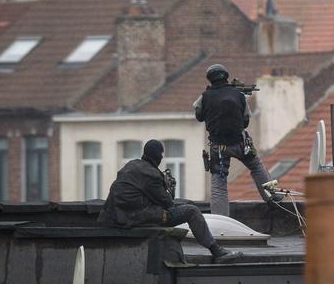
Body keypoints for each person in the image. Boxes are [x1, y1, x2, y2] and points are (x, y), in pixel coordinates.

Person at [98, 139, 242, 264]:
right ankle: (217, 251)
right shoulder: (152, 175)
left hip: (113, 216)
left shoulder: (131, 165)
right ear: (158, 156)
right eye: (161, 155)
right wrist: (167, 187)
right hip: (133, 218)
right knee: (191, 211)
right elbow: (168, 204)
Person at [193, 64, 278, 216]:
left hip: (218, 148)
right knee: (256, 166)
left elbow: (199, 116)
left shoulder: (205, 97)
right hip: (241, 144)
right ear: (226, 76)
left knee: (219, 183)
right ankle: (272, 197)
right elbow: (246, 120)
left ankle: (221, 221)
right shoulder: (238, 95)